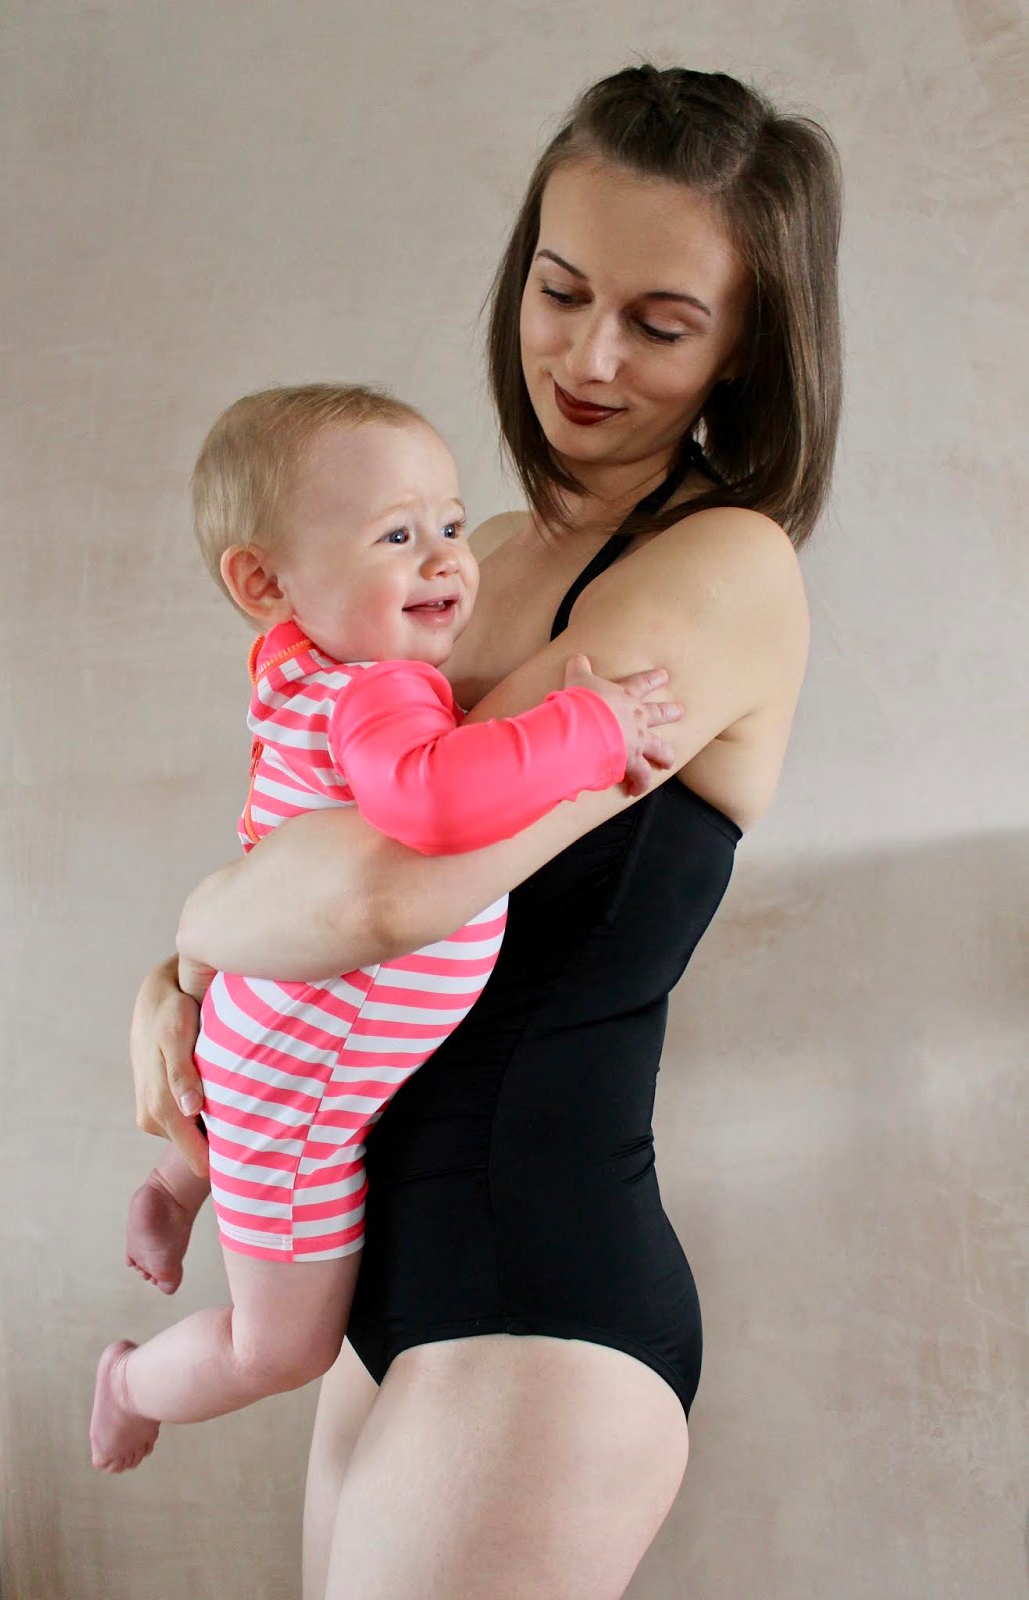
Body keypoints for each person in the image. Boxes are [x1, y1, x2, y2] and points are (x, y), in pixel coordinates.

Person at [130, 63, 841, 1600]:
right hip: (373, 1283)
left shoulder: (722, 566)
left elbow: (377, 889)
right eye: (560, 290)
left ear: (743, 346)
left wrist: (188, 941)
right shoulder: (476, 555)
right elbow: (304, 854)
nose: (588, 357)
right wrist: (180, 976)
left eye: (660, 322)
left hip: (539, 1296)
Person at [91, 382, 679, 1473]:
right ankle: (131, 1381)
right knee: (279, 1348)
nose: (448, 558)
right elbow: (436, 803)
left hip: (275, 1032)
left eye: (450, 524)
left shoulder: (300, 669)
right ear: (265, 582)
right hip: (299, 1082)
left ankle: (176, 1188)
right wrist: (592, 728)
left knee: (253, 1133)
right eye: (398, 537)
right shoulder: (377, 693)